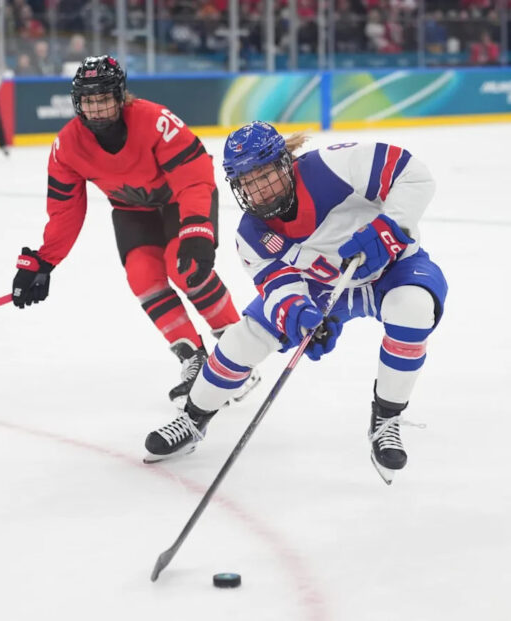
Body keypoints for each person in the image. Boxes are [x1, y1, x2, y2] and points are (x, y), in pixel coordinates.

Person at [144, 121, 448, 485]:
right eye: (246, 182)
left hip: (391, 268)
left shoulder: (334, 166)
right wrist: (299, 316)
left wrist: (389, 227)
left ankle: (386, 418)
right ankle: (194, 417)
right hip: (320, 288)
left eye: (263, 175)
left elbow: (415, 176)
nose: (258, 189)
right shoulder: (252, 235)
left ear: (285, 163)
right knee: (246, 337)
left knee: (413, 308)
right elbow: (278, 287)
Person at [11, 55, 254, 403]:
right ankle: (193, 359)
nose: (95, 109)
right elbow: (65, 211)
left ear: (120, 95)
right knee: (142, 277)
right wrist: (44, 261)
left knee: (186, 270)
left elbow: (195, 175)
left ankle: (238, 353)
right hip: (131, 210)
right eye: (88, 101)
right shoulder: (67, 146)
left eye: (103, 99)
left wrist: (197, 229)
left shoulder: (154, 121)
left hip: (180, 202)